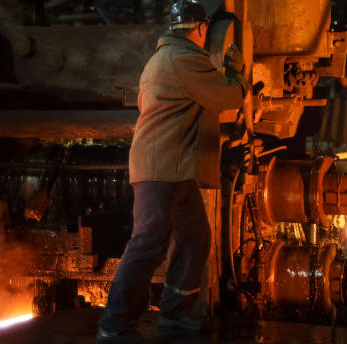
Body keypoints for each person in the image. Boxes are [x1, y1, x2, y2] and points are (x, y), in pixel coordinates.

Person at [96, 0, 246, 342]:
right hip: (161, 168)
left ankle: (178, 314)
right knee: (148, 243)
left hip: (174, 169)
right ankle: (114, 324)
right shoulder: (183, 58)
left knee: (194, 239)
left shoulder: (167, 56)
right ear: (202, 28)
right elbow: (226, 97)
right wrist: (235, 72)